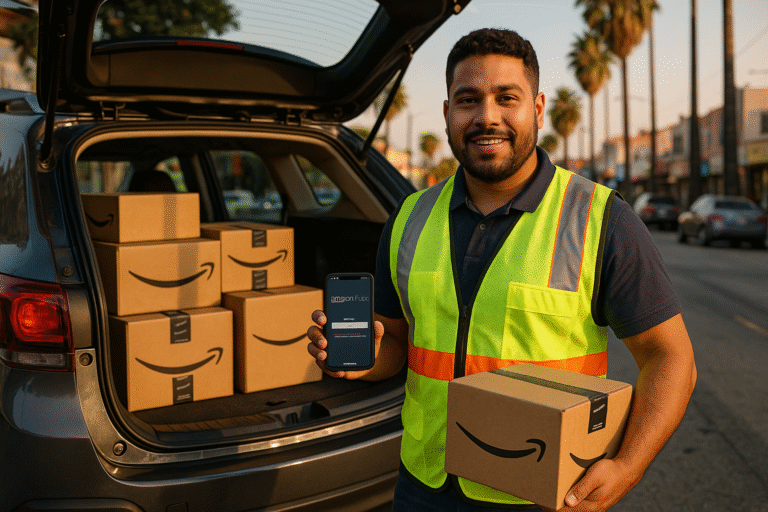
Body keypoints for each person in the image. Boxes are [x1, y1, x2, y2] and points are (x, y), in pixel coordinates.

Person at [307, 28, 696, 512]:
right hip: (421, 487)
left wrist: (628, 466)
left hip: (541, 493)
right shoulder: (408, 218)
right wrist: (364, 355)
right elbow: (401, 343)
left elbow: (670, 357)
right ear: (448, 113)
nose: (486, 116)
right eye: (468, 99)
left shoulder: (600, 218)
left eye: (505, 98)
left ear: (536, 108)